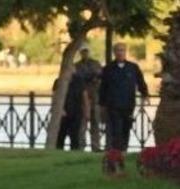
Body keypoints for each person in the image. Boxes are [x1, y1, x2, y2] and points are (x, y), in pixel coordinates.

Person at [99, 42, 149, 174]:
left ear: (125, 52)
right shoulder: (108, 69)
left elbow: (141, 82)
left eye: (122, 50)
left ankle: (123, 152)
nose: (120, 52)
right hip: (113, 105)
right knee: (116, 130)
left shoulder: (133, 67)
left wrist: (145, 94)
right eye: (118, 50)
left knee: (126, 129)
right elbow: (102, 88)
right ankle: (116, 156)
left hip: (128, 105)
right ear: (114, 52)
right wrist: (102, 106)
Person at [75, 47, 103, 151]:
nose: (85, 53)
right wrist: (90, 76)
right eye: (82, 52)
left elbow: (100, 75)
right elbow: (79, 77)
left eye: (86, 51)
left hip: (96, 97)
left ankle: (95, 146)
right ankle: (81, 146)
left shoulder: (95, 63)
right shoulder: (77, 65)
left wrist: (95, 77)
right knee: (82, 124)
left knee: (95, 123)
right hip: (83, 99)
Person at [54, 72, 89, 150]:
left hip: (76, 112)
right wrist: (60, 109)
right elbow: (55, 96)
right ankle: (59, 151)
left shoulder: (79, 81)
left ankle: (75, 151)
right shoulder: (58, 81)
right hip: (63, 113)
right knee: (61, 135)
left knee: (75, 136)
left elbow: (85, 97)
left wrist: (87, 111)